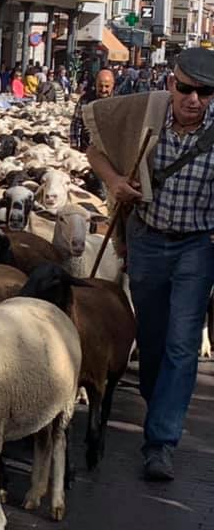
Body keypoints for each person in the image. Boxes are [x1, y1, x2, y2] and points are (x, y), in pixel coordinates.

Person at [84, 47, 214, 482]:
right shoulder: (145, 112)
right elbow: (94, 147)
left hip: (198, 247)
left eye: (206, 92)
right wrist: (116, 182)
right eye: (188, 89)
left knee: (182, 343)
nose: (195, 100)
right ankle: (159, 401)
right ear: (172, 84)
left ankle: (160, 441)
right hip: (148, 241)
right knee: (155, 341)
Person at [70, 69, 114, 151]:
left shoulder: (118, 101)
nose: (103, 90)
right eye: (100, 86)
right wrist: (74, 144)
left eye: (107, 86)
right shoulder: (85, 100)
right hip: (88, 147)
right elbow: (76, 122)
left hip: (111, 150)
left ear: (112, 85)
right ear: (96, 85)